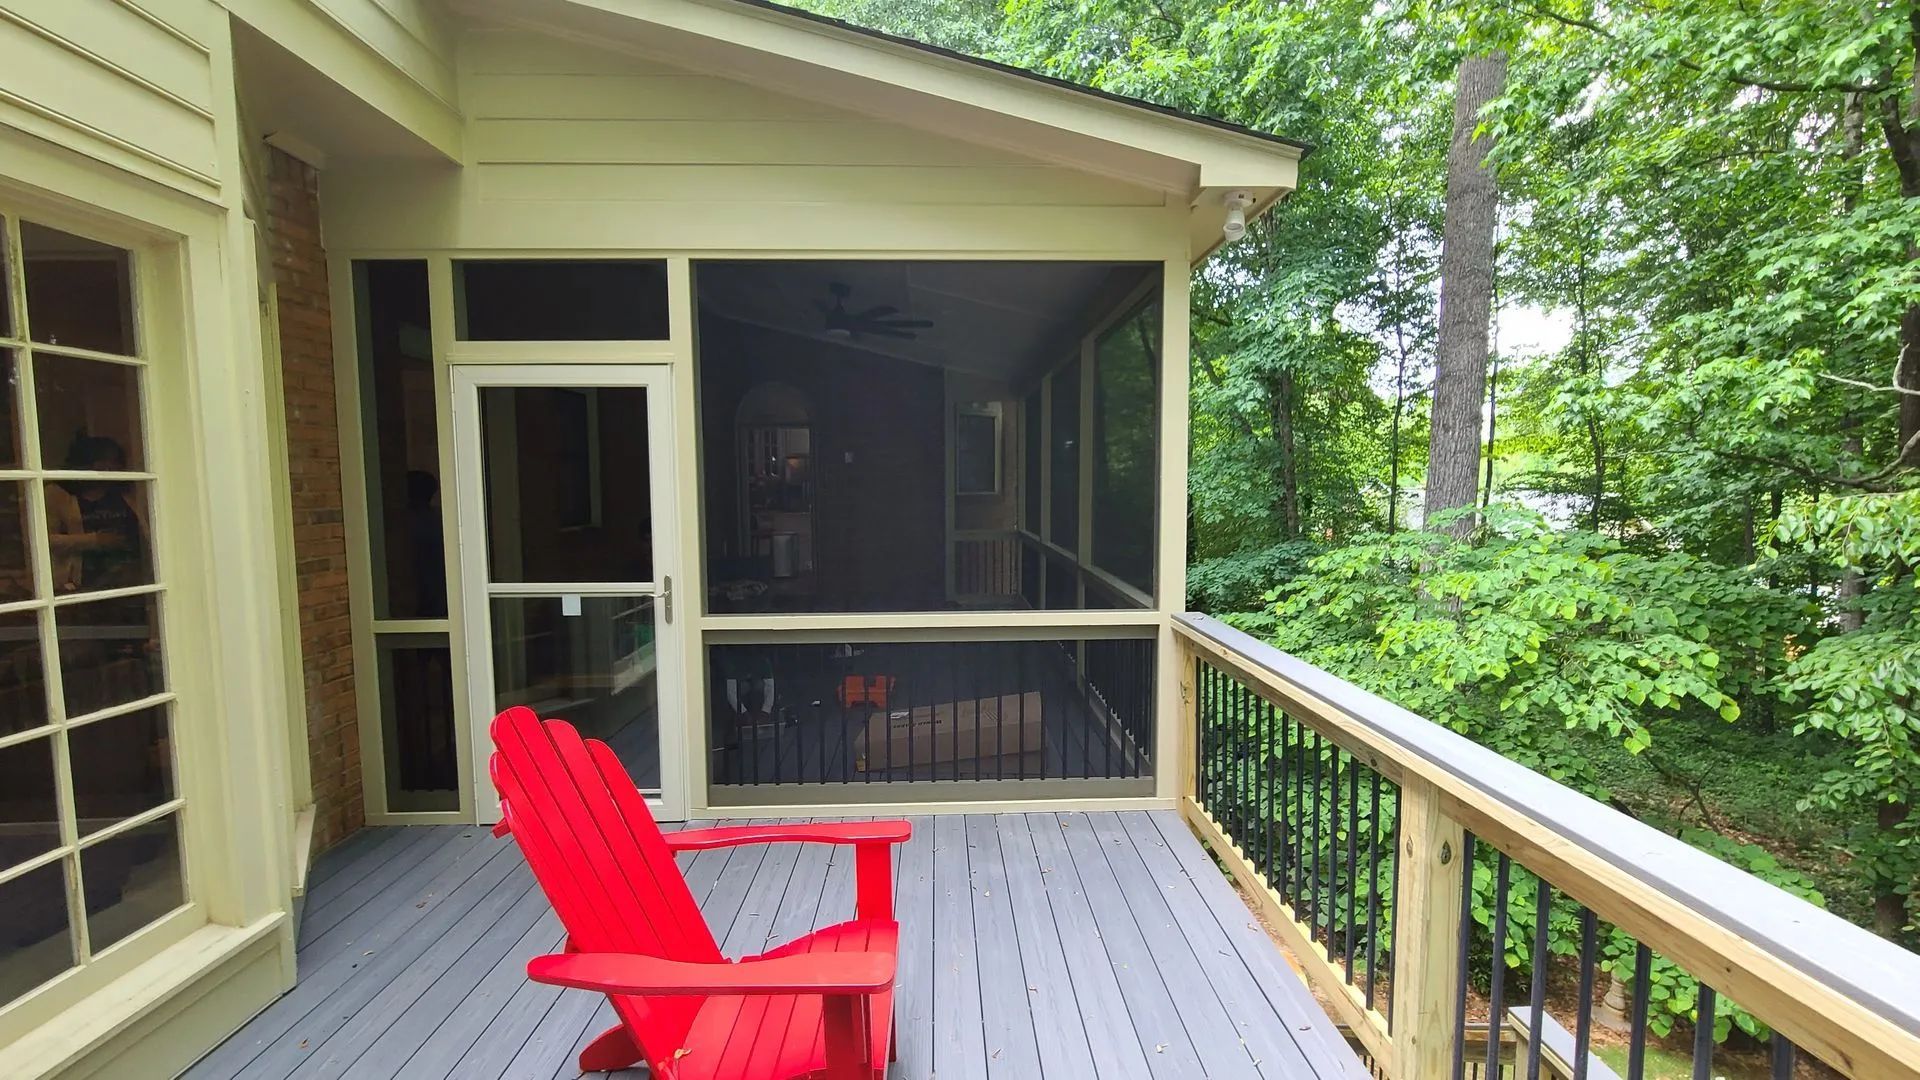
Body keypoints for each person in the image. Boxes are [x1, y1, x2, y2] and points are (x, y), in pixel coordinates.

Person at [47, 435, 146, 594]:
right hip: (82, 584)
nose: (108, 467)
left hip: (131, 580)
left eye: (114, 461)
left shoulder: (127, 493)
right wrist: (95, 540)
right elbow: (44, 541)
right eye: (101, 461)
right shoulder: (59, 495)